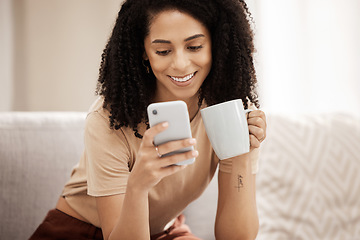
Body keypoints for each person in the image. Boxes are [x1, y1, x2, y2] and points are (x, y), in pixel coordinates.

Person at [30, 0, 267, 239]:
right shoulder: (110, 118)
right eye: (163, 51)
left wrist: (240, 157)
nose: (180, 64)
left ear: (215, 43)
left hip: (161, 231)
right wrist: (138, 185)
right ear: (143, 51)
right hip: (81, 230)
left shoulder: (231, 111)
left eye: (194, 46)